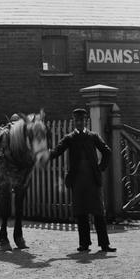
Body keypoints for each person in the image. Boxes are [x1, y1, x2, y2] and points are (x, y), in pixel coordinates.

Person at [50, 108, 115, 253]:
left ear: (85, 121)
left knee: (98, 212)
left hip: (93, 180)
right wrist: (44, 155)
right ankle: (84, 244)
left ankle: (104, 245)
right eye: (76, 120)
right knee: (81, 212)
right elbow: (57, 151)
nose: (79, 123)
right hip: (77, 181)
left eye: (81, 120)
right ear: (74, 121)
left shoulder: (93, 136)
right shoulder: (69, 138)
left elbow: (107, 151)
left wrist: (100, 168)